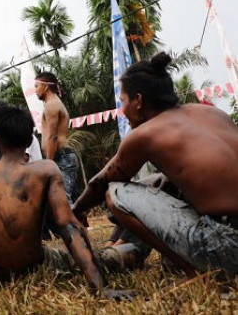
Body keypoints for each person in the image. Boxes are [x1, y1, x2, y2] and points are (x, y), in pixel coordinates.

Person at [0, 104, 131, 300]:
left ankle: (129, 246)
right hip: (36, 267)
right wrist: (100, 286)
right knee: (115, 256)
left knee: (103, 255)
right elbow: (68, 226)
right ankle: (131, 248)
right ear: (28, 139)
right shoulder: (45, 169)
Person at [72, 52, 238, 277]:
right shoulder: (211, 113)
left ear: (138, 101)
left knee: (115, 192)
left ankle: (195, 270)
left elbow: (100, 183)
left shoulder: (146, 133)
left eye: (123, 101)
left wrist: (76, 210)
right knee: (162, 181)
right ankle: (127, 248)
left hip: (228, 245)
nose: (122, 110)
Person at [34, 73, 79, 203]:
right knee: (72, 204)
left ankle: (70, 224)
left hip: (60, 157)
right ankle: (79, 223)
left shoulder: (51, 105)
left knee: (62, 202)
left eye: (36, 86)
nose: (35, 91)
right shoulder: (55, 103)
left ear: (45, 86)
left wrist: (49, 163)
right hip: (63, 157)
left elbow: (52, 137)